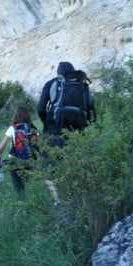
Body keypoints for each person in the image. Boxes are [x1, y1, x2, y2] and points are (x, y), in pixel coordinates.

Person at [36, 61, 97, 204]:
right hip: (77, 135)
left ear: (58, 73)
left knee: (49, 171)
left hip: (53, 133)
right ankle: (76, 200)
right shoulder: (83, 86)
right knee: (73, 168)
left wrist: (48, 123)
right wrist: (82, 125)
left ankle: (58, 201)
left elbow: (40, 109)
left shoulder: (52, 83)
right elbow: (92, 114)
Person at [0, 106, 38, 199]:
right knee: (33, 182)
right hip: (32, 160)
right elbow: (39, 144)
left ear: (15, 116)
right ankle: (35, 201)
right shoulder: (33, 127)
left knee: (18, 187)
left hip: (16, 161)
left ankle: (22, 202)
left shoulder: (13, 128)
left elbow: (1, 146)